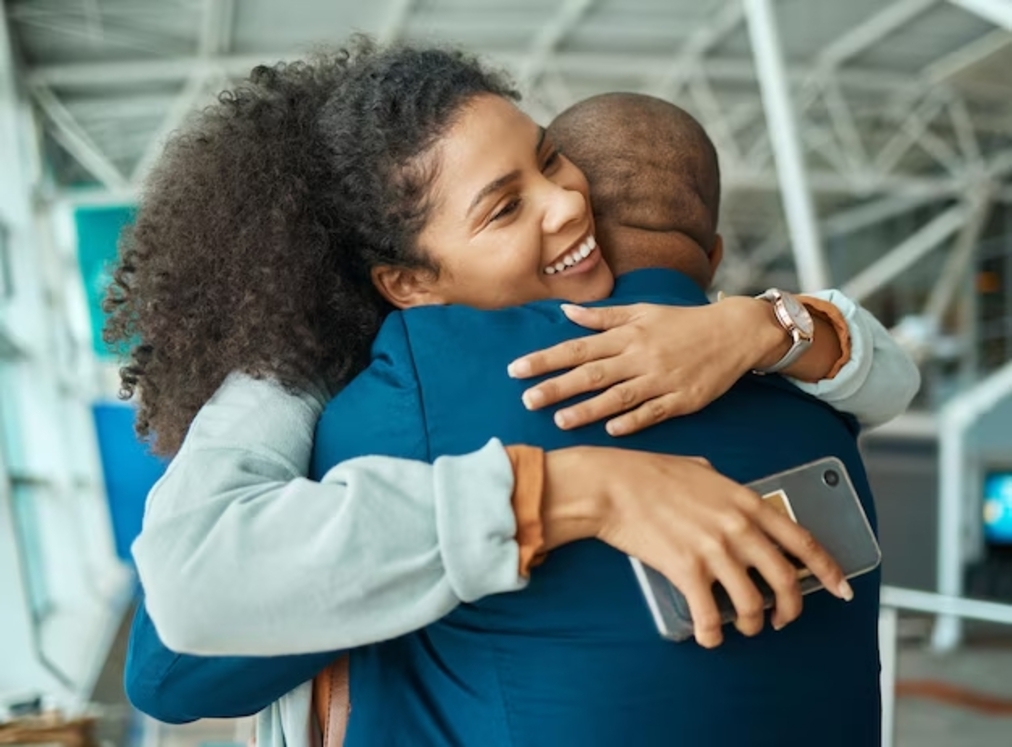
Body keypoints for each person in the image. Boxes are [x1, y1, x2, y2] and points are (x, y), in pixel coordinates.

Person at [108, 43, 916, 744]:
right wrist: (580, 485)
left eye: (551, 158)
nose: (571, 202)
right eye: (503, 207)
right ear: (406, 282)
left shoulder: (415, 398)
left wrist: (762, 327)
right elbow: (188, 622)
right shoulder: (327, 380)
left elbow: (172, 678)